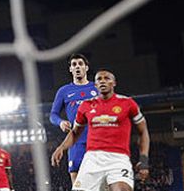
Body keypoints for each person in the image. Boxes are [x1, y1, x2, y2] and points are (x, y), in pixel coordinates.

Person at [51, 69, 150, 191]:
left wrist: (144, 160)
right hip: (92, 159)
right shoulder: (86, 106)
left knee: (121, 189)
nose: (103, 81)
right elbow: (75, 133)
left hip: (118, 159)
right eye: (99, 79)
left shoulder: (127, 103)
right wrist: (61, 147)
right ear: (95, 85)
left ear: (114, 83)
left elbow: (143, 131)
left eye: (107, 78)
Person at [49, 53, 97, 183]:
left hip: (97, 141)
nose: (77, 67)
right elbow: (53, 115)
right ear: (70, 69)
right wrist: (60, 122)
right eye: (74, 64)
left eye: (80, 64)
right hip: (75, 142)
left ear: (86, 68)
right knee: (77, 183)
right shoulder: (64, 91)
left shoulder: (96, 88)